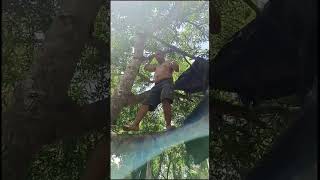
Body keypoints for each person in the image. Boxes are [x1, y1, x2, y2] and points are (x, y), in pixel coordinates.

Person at [123, 50, 179, 131]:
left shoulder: (168, 62)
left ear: (163, 55)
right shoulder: (156, 66)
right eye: (156, 55)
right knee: (146, 102)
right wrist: (151, 57)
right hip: (156, 86)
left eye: (158, 54)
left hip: (167, 82)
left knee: (165, 99)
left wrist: (174, 64)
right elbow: (146, 67)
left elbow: (177, 69)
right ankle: (135, 125)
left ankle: (168, 125)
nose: (157, 56)